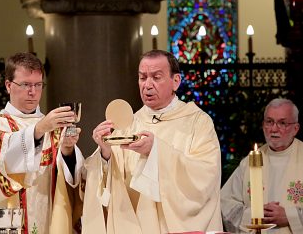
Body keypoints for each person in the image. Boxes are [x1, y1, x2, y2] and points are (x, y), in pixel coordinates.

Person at [82, 49, 223, 233]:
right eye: (142, 77)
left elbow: (206, 177)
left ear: (176, 81)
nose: (147, 85)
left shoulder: (198, 122)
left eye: (156, 77)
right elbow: (110, 185)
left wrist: (156, 151)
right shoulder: (129, 123)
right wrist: (105, 152)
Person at [0, 52, 84, 234]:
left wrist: (68, 150)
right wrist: (39, 129)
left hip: (50, 220)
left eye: (38, 85)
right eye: (26, 84)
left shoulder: (52, 124)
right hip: (9, 223)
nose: (33, 92)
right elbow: (3, 161)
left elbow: (73, 181)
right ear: (8, 85)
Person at [221, 98, 303, 233]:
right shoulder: (249, 162)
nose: (274, 129)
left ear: (295, 128)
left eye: (282, 123)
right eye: (269, 122)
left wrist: (290, 217)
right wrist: (254, 216)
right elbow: (225, 203)